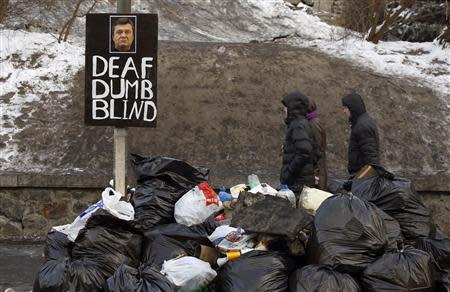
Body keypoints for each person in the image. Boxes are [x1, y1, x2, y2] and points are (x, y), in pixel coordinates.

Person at [280, 91, 320, 202]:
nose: (284, 110)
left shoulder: (297, 125)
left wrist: (289, 172)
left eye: (286, 107)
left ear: (293, 107)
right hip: (303, 180)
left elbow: (304, 152)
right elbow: (316, 151)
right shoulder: (304, 123)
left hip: (298, 182)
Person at [341, 93, 380, 175]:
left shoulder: (362, 126)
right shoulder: (362, 123)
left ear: (352, 108)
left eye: (345, 108)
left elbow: (371, 159)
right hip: (361, 174)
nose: (344, 111)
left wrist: (363, 179)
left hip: (362, 176)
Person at [307, 97, 328, 190]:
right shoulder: (312, 122)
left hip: (318, 171)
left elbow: (317, 150)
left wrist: (316, 174)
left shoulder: (313, 124)